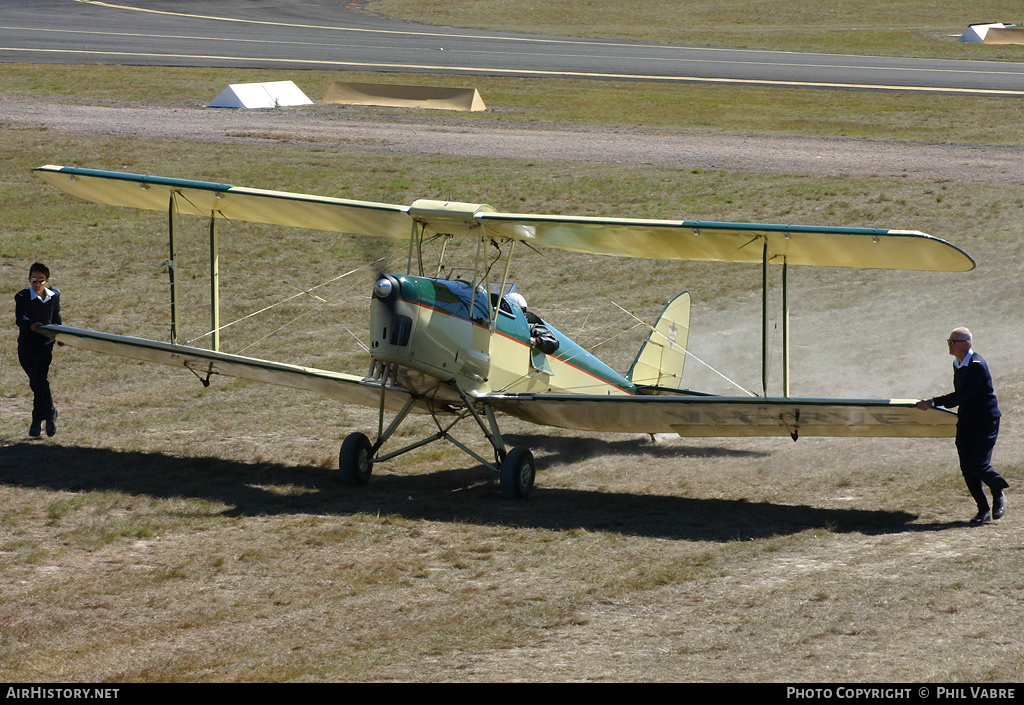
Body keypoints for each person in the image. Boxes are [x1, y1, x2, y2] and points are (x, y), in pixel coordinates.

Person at [917, 327, 1007, 525]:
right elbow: (961, 396)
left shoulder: (977, 365)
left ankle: (998, 489)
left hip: (985, 421)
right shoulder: (958, 363)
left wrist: (933, 402)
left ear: (966, 344)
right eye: (948, 341)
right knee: (967, 468)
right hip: (966, 421)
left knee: (978, 464)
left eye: (953, 342)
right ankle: (982, 509)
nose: (949, 345)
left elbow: (962, 395)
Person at [15, 262, 62, 437]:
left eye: (41, 280)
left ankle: (37, 420)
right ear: (29, 279)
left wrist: (60, 335)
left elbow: (56, 315)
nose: (37, 284)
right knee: (37, 382)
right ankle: (50, 412)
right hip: (26, 346)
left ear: (47, 280)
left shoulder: (54, 295)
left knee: (38, 381)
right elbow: (20, 318)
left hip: (45, 346)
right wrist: (31, 325)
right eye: (34, 280)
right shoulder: (22, 296)